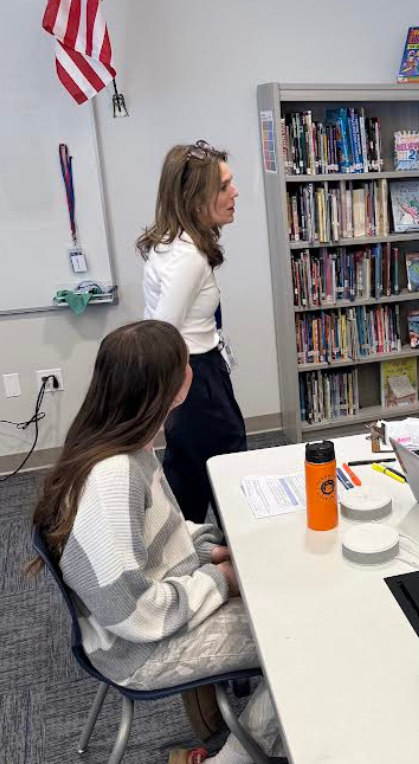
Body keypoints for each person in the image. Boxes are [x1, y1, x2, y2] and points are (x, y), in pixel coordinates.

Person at [29, 321, 282, 764]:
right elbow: (133, 612)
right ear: (175, 387)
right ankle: (234, 760)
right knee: (295, 634)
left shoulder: (126, 444)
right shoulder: (114, 477)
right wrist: (221, 578)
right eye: (187, 362)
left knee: (282, 600)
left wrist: (214, 553)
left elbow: (167, 536)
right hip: (140, 648)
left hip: (153, 612)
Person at [137, 140, 245, 524]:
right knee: (225, 469)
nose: (234, 193)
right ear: (195, 199)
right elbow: (163, 335)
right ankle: (230, 556)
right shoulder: (189, 259)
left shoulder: (174, 243)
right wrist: (165, 401)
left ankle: (181, 553)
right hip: (194, 376)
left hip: (194, 374)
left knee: (190, 471)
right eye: (223, 186)